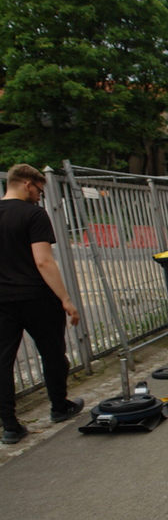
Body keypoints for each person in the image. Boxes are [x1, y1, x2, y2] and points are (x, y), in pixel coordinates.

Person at [1, 164, 84, 444]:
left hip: (2, 300)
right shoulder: (33, 214)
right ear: (27, 184)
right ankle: (59, 406)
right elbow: (43, 261)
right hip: (37, 297)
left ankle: (10, 426)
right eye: (39, 190)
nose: (39, 196)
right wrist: (66, 299)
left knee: (3, 361)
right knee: (52, 353)